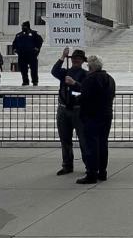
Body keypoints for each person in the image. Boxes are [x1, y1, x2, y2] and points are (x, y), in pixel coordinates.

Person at [67, 54, 115, 184]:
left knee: (91, 145)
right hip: (106, 114)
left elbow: (85, 96)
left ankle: (92, 174)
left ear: (91, 66)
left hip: (92, 115)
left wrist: (75, 98)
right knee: (103, 143)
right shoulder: (110, 79)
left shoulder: (90, 79)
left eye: (88, 65)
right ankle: (102, 172)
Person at [51, 47, 88, 176]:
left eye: (79, 59)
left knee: (84, 140)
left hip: (78, 110)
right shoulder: (65, 72)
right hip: (63, 109)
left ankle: (89, 166)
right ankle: (67, 165)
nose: (76, 60)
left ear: (83, 61)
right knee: (65, 140)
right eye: (74, 58)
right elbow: (54, 71)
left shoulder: (86, 74)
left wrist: (74, 84)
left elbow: (85, 90)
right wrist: (63, 56)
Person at [12, 21, 43, 86]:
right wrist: (15, 49)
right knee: (23, 69)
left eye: (23, 26)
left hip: (32, 55)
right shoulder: (18, 35)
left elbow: (40, 41)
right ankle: (25, 81)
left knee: (34, 69)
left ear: (27, 26)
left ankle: (35, 81)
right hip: (22, 55)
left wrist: (37, 49)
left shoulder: (34, 33)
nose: (22, 27)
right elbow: (14, 43)